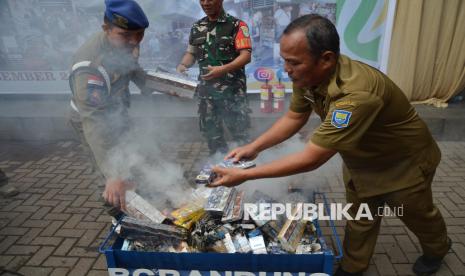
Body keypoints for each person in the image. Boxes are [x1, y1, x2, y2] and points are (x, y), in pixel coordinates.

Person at [209, 14, 450, 276]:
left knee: (418, 215)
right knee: (360, 217)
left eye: (293, 62)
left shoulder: (357, 94)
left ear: (326, 59)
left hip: (403, 163)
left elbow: (313, 157)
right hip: (362, 160)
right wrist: (254, 147)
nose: (286, 69)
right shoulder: (308, 74)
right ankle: (353, 266)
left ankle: (437, 248)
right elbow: (295, 116)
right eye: (285, 61)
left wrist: (245, 175)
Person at [68, 0, 155, 211]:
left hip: (117, 113)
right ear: (106, 29)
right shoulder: (91, 65)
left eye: (139, 34)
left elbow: (131, 67)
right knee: (111, 177)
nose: (134, 42)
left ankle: (138, 203)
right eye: (126, 35)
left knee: (131, 160)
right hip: (92, 120)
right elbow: (94, 121)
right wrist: (113, 174)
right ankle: (119, 216)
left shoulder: (123, 43)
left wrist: (153, 85)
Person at [176, 0, 252, 155]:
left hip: (232, 94)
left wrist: (223, 69)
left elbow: (246, 56)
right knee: (212, 135)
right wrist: (183, 65)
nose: (205, 3)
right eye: (202, 0)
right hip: (206, 95)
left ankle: (246, 172)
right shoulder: (197, 27)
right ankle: (218, 167)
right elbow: (191, 53)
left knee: (240, 136)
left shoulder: (237, 25)